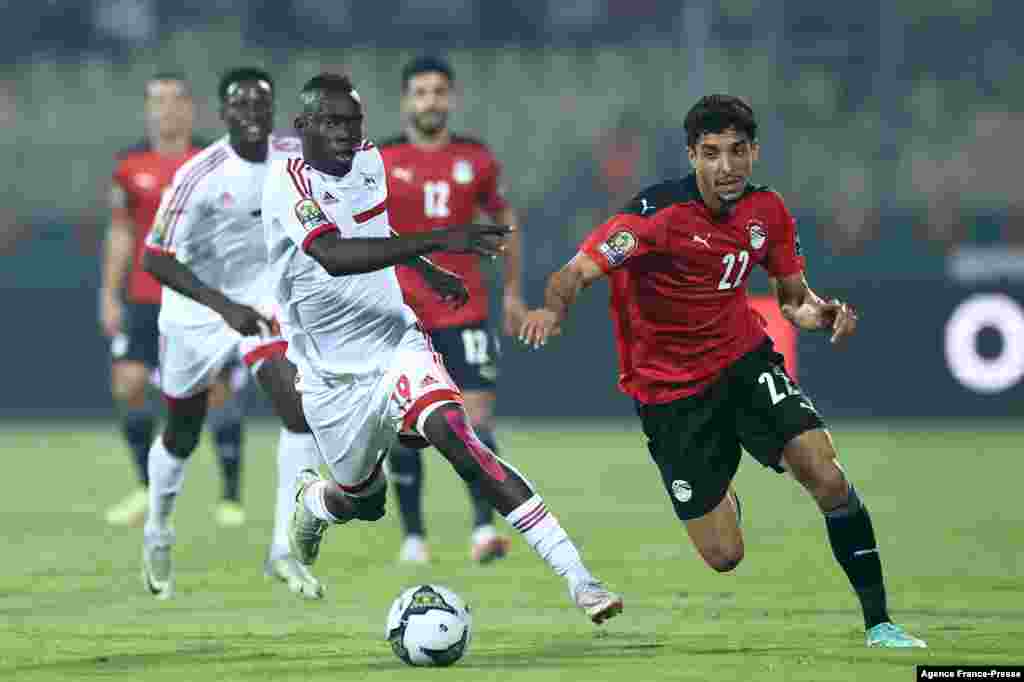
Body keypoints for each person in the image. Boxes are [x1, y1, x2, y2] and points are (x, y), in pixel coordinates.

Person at [519, 95, 927, 648]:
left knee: (826, 476)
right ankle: (723, 492)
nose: (727, 167)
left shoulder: (769, 212)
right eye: (712, 154)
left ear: (754, 152)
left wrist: (823, 313)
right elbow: (572, 274)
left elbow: (792, 301)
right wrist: (552, 311)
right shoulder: (652, 216)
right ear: (692, 156)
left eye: (738, 152)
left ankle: (880, 622)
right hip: (669, 395)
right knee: (724, 556)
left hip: (742, 362)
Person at [262, 73, 622, 624]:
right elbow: (333, 253)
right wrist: (437, 240)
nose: (345, 133)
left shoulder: (368, 160)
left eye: (353, 122)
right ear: (303, 126)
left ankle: (579, 578)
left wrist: (425, 270)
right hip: (330, 377)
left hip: (393, 341)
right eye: (331, 122)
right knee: (363, 501)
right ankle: (314, 503)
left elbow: (375, 229)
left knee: (460, 439)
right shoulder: (287, 182)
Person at [140, 68, 323, 601]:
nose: (250, 113)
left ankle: (283, 551)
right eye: (239, 105)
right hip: (196, 311)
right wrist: (224, 306)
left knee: (297, 407)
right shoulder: (200, 175)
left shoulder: (295, 153)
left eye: (259, 104)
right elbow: (156, 257)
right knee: (182, 432)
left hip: (264, 301)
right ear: (223, 115)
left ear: (272, 110)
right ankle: (158, 529)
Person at [378, 56, 526, 565]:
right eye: (420, 92)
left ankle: (484, 530)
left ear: (451, 98)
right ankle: (413, 538)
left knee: (475, 421)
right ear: (406, 101)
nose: (430, 101)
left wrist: (510, 293)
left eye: (439, 92)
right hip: (401, 315)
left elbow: (505, 221)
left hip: (467, 311)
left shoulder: (475, 159)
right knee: (404, 426)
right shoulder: (379, 159)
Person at [100, 73, 248, 528]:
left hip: (200, 297)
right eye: (156, 100)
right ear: (147, 109)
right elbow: (122, 232)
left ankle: (230, 497)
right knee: (127, 383)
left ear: (190, 108)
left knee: (216, 392)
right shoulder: (130, 165)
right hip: (145, 298)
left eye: (173, 100)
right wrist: (109, 293)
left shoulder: (215, 161)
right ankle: (147, 487)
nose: (165, 109)